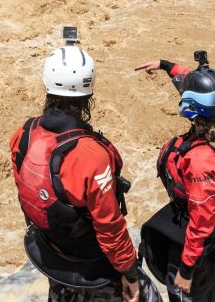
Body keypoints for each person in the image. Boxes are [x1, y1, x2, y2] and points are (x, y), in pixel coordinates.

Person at [11, 38, 156, 302]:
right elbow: (109, 227)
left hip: (50, 251)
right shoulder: (90, 155)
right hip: (89, 261)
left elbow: (25, 188)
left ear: (46, 84)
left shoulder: (24, 133)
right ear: (89, 93)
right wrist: (130, 273)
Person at [134, 51, 215, 302]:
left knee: (186, 292)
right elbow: (199, 91)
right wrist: (167, 66)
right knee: (212, 268)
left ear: (189, 108)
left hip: (199, 231)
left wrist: (186, 271)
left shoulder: (201, 163)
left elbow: (201, 225)